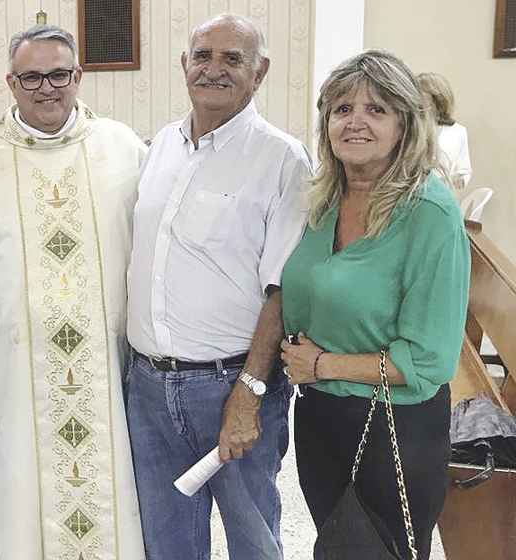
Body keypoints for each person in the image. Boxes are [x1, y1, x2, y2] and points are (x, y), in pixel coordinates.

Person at [0, 24, 148, 560]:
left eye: (58, 75)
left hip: (108, 363)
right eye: (31, 77)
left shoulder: (123, 149)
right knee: (15, 492)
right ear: (11, 83)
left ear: (78, 76)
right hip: (11, 367)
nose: (46, 88)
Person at [125, 13, 311, 559]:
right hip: (149, 389)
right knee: (167, 545)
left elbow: (281, 290)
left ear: (260, 71)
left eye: (232, 58)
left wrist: (249, 393)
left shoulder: (281, 159)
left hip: (230, 385)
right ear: (184, 64)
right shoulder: (160, 146)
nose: (214, 69)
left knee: (253, 540)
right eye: (203, 56)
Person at [279, 50, 470, 559]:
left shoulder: (428, 213)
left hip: (393, 427)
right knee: (335, 545)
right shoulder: (323, 199)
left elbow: (429, 361)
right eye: (342, 109)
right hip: (320, 415)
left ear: (405, 123)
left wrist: (321, 364)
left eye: (376, 110)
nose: (355, 121)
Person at [417, 72, 472, 190]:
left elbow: (464, 171)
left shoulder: (457, 132)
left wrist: (455, 178)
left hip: (440, 192)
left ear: (438, 101)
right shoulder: (410, 128)